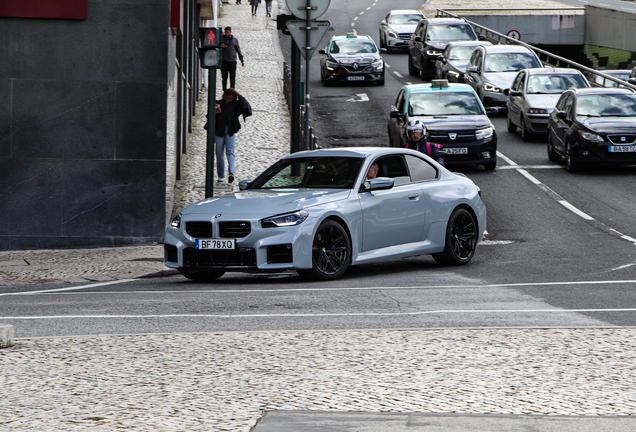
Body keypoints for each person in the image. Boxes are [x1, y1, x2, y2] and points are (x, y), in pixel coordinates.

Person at [215, 89, 252, 183]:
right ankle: (221, 175)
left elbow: (246, 106)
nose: (227, 100)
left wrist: (239, 95)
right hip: (219, 130)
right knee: (219, 153)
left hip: (231, 130)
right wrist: (216, 113)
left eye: (230, 99)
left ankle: (231, 173)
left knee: (230, 152)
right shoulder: (218, 103)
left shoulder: (236, 105)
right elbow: (209, 115)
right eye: (226, 97)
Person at [221, 27, 245, 91]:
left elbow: (238, 50)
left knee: (232, 77)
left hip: (232, 61)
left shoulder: (234, 40)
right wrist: (221, 46)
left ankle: (232, 90)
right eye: (226, 32)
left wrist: (241, 60)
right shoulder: (221, 39)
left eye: (228, 32)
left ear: (230, 32)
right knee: (224, 77)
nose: (227, 34)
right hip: (224, 60)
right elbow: (216, 47)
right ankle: (224, 90)